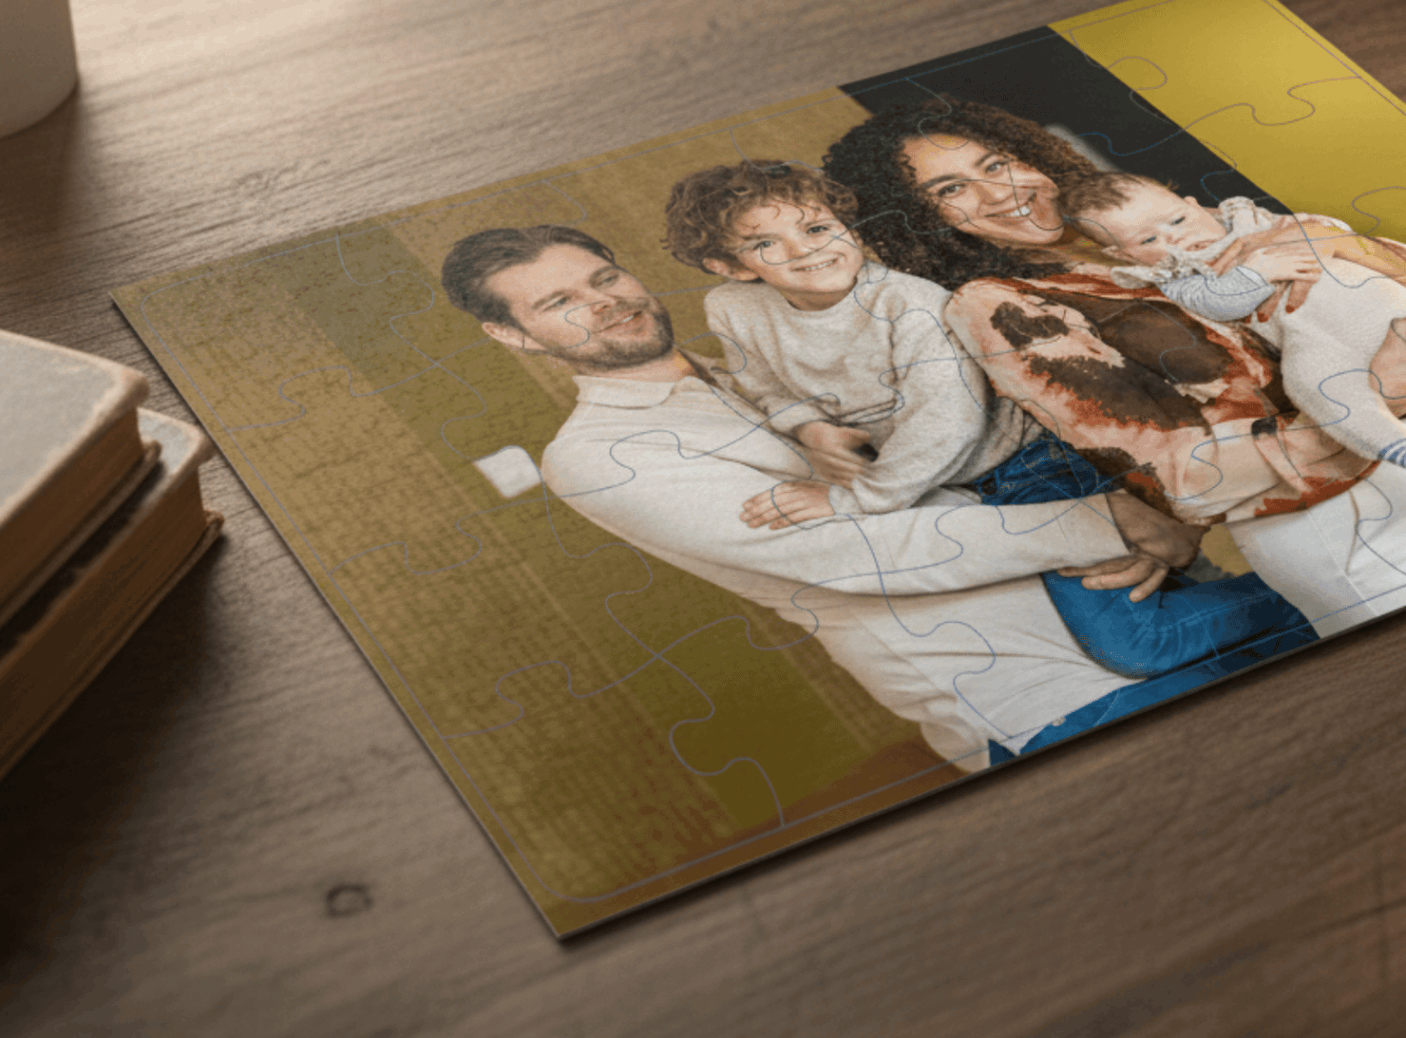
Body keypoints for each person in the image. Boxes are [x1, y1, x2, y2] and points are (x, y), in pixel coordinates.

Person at [438, 224, 1310, 770]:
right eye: (559, 302)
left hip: (1159, 597)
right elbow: (852, 552)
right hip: (1048, 696)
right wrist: (1111, 518)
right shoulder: (594, 456)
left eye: (603, 278)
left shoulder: (763, 354)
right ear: (512, 334)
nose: (603, 304)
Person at [821, 97, 1406, 635]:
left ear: (1029, 152)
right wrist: (1383, 407)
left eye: (996, 162)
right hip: (1362, 522)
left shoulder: (1169, 214)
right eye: (950, 191)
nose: (999, 193)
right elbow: (1185, 475)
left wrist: (1347, 250)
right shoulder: (1000, 303)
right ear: (925, 223)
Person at [657, 157, 1318, 681]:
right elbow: (758, 377)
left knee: (1137, 644)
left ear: (846, 224)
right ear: (728, 267)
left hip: (1036, 468)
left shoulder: (911, 305)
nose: (805, 251)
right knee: (1154, 607)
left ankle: (1316, 602)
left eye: (817, 227)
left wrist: (854, 499)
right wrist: (807, 425)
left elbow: (947, 422)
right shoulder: (732, 309)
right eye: (765, 244)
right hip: (953, 487)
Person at [1060, 171, 1406, 486]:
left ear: (1192, 203)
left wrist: (1315, 236)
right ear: (1122, 256)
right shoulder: (1181, 279)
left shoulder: (1255, 222)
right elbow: (1218, 304)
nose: (1175, 240)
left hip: (1398, 314)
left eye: (1177, 220)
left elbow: (1332, 230)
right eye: (1148, 240)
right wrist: (1258, 272)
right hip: (1317, 342)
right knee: (1323, 391)